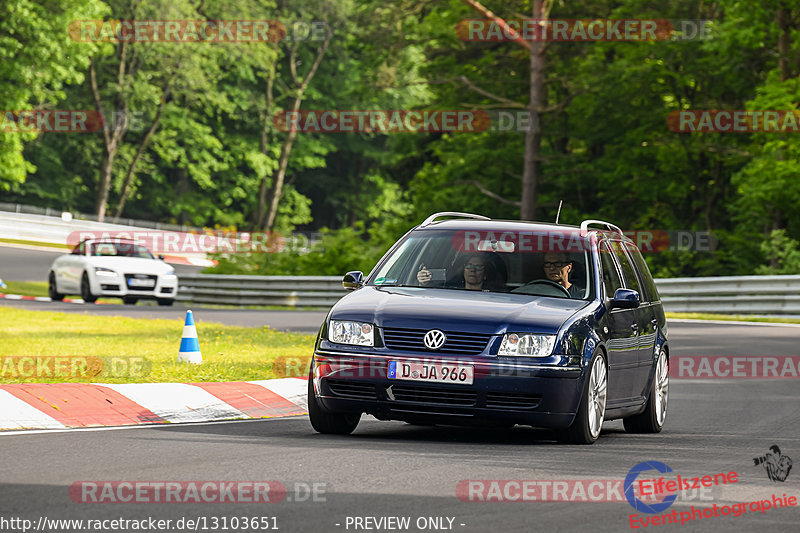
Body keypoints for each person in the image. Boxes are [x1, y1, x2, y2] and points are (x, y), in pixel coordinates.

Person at [417, 253, 489, 290]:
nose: (473, 270)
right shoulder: (449, 291)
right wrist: (423, 283)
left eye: (478, 267)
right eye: (469, 266)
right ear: (463, 270)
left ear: (485, 274)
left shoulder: (491, 298)